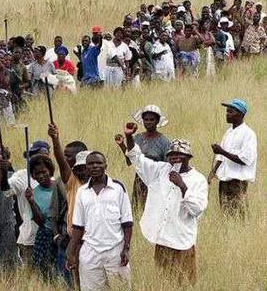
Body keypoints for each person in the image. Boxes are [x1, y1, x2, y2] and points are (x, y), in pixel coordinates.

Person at [120, 123, 207, 286]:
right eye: (171, 155)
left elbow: (197, 209)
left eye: (179, 155)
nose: (174, 158)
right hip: (162, 240)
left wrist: (182, 186)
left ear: (188, 157)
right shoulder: (161, 170)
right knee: (163, 283)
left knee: (184, 284)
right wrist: (129, 137)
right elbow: (137, 159)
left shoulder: (198, 179)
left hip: (182, 242)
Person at [67, 152, 133, 291]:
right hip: (90, 252)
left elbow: (127, 223)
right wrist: (72, 253)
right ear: (86, 167)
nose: (95, 166)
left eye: (99, 163)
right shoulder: (82, 192)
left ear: (105, 165)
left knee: (120, 288)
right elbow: (78, 226)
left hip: (115, 250)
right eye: (91, 164)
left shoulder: (118, 188)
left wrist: (126, 249)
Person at [208, 99, 257, 220]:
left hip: (237, 181)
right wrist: (213, 172)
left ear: (241, 114)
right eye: (227, 111)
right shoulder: (229, 132)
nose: (227, 114)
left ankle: (242, 235)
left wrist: (222, 151)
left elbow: (245, 159)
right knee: (225, 213)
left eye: (231, 112)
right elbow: (221, 156)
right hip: (224, 180)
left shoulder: (248, 134)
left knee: (239, 214)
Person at [24, 154, 69, 282]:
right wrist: (32, 202)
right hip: (46, 236)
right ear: (32, 176)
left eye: (44, 172)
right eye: (36, 174)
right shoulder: (34, 193)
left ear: (50, 170)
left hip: (64, 235)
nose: (41, 176)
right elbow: (40, 222)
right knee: (46, 274)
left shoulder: (61, 185)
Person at [128, 105, 171, 210]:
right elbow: (129, 161)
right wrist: (126, 139)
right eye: (146, 119)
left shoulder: (164, 141)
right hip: (139, 180)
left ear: (157, 121)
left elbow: (167, 166)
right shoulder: (137, 138)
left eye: (152, 119)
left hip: (156, 180)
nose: (148, 122)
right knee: (137, 208)